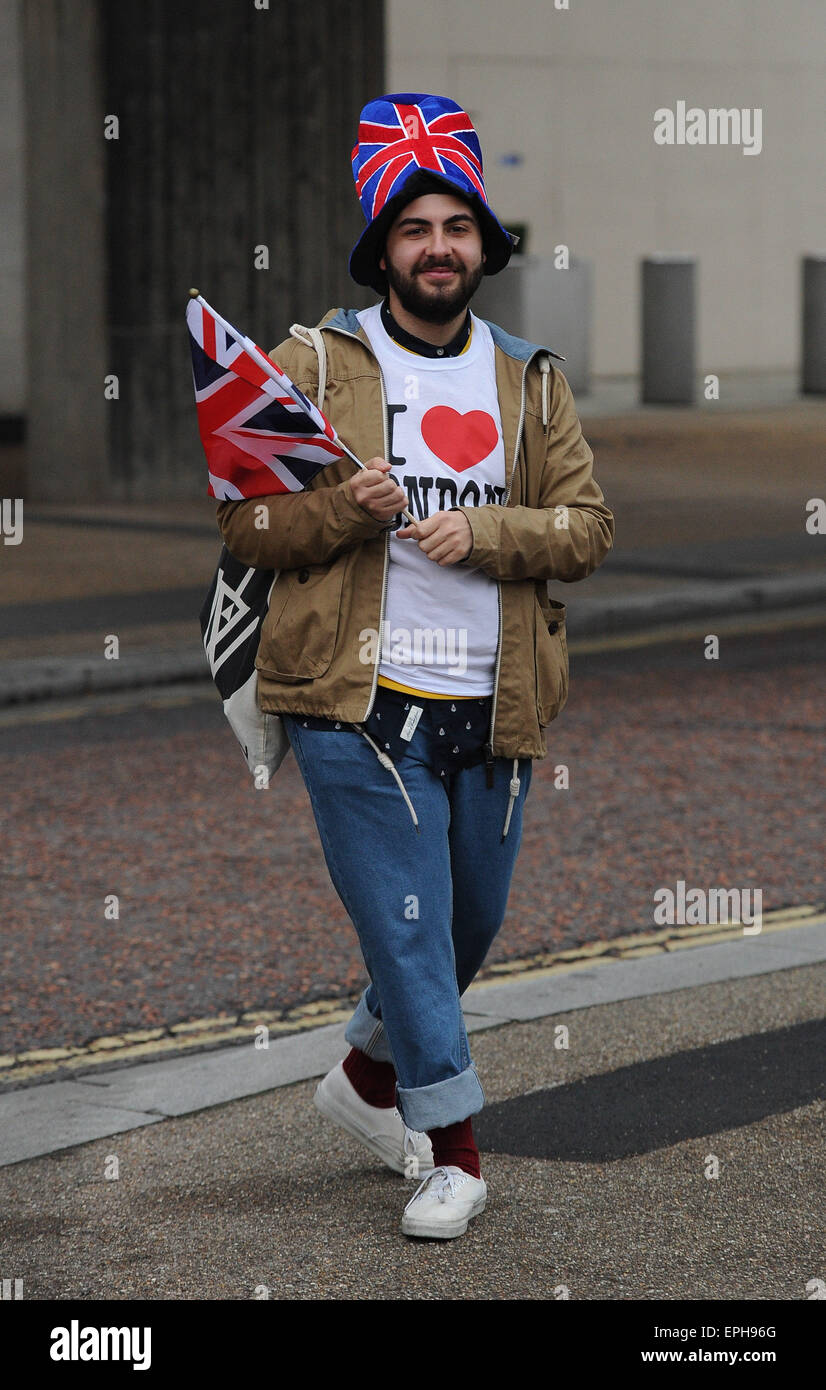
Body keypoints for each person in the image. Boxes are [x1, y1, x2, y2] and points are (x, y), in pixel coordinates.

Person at [216, 92, 615, 1239]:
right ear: (381, 249)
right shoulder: (311, 361)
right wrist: (342, 509)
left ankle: (364, 1078)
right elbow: (246, 528)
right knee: (407, 929)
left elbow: (585, 530)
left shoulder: (530, 376)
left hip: (493, 705)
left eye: (455, 228)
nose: (436, 248)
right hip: (354, 703)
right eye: (413, 228)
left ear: (481, 246)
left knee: (463, 927)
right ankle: (456, 1150)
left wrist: (488, 531)